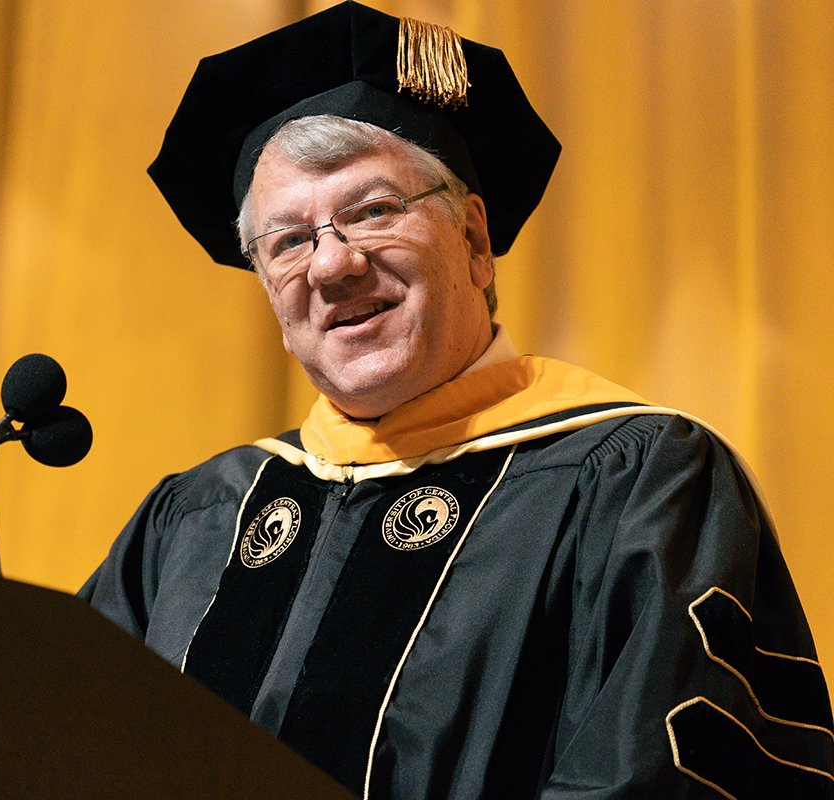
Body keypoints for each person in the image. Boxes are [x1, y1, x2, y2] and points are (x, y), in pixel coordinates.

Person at [81, 3, 834, 798]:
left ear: (475, 240)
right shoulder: (196, 522)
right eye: (288, 240)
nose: (332, 265)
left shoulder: (633, 481)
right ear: (271, 290)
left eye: (372, 211)